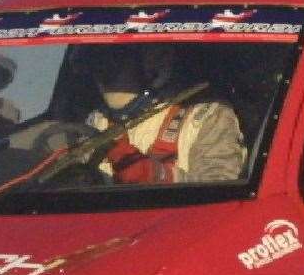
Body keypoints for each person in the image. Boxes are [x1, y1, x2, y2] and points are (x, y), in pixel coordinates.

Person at [85, 44, 246, 184]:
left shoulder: (205, 116)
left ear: (155, 65)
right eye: (100, 66)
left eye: (116, 64)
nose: (104, 77)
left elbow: (219, 192)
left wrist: (158, 176)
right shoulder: (95, 123)